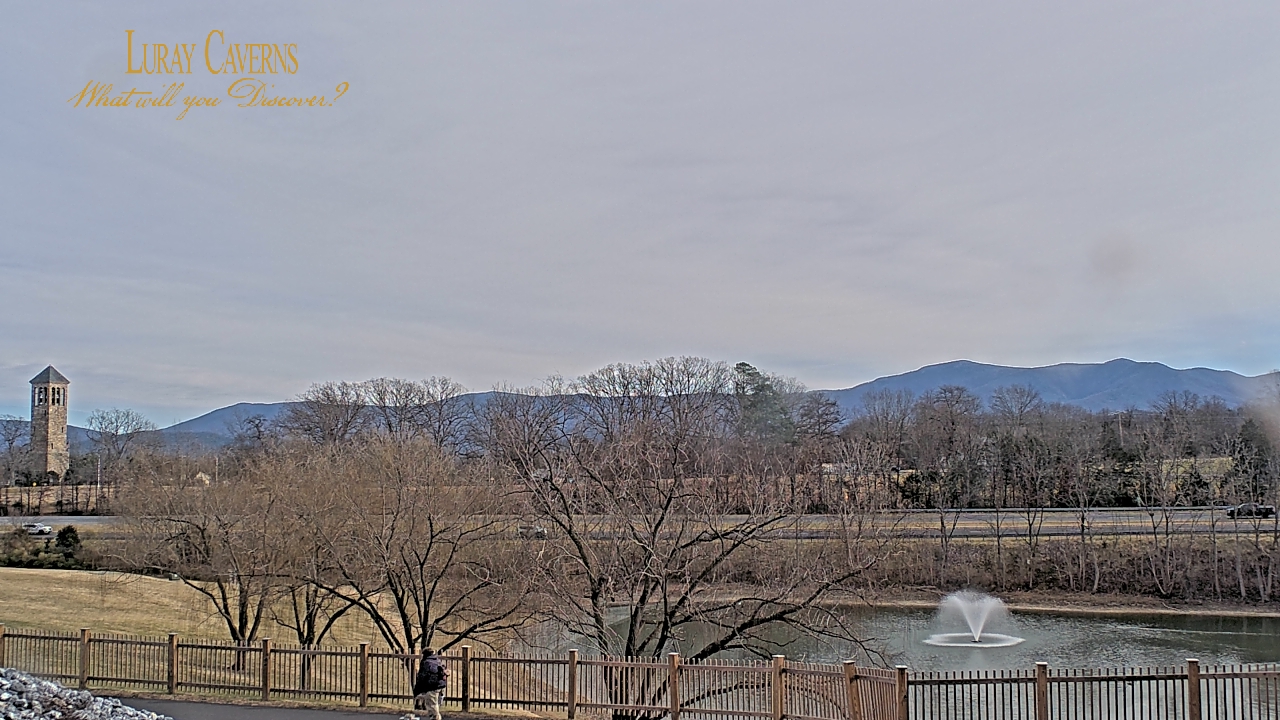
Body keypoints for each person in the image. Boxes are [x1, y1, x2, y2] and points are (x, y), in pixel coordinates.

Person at [413, 648, 448, 720]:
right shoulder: (437, 660)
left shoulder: (426, 662)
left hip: (432, 686)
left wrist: (417, 689)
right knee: (435, 705)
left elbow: (422, 676)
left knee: (432, 706)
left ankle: (435, 718)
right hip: (440, 685)